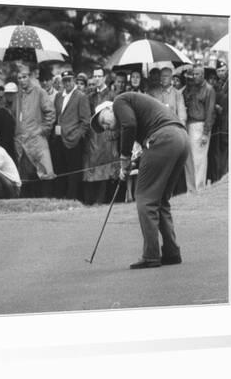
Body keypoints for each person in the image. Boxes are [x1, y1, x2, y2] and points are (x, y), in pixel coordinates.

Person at [91, 92, 189, 269]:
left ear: (108, 108)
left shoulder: (119, 102)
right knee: (160, 201)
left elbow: (129, 125)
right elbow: (138, 135)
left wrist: (124, 158)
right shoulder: (133, 110)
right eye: (103, 128)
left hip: (164, 137)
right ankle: (172, 252)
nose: (105, 126)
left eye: (102, 120)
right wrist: (129, 163)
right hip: (181, 138)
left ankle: (151, 255)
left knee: (145, 199)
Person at [14, 61, 56, 197]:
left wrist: (43, 130)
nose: (22, 80)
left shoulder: (40, 92)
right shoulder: (19, 95)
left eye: (24, 77)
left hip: (37, 140)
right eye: (19, 78)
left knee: (45, 172)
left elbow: (50, 112)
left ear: (30, 76)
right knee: (26, 175)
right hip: (23, 142)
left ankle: (46, 201)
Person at [82, 66, 120, 205]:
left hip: (108, 137)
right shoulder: (90, 96)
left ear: (104, 78)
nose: (97, 79)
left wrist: (114, 133)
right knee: (92, 169)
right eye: (95, 76)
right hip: (94, 137)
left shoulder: (112, 95)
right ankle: (92, 200)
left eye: (99, 76)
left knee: (107, 170)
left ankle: (102, 199)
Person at [51, 70, 91, 200]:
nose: (67, 83)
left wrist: (77, 135)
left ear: (73, 80)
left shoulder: (80, 96)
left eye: (69, 80)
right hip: (59, 139)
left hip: (73, 140)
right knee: (60, 170)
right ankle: (60, 197)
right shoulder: (58, 96)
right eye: (65, 80)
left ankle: (72, 198)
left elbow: (86, 121)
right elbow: (57, 117)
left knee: (74, 172)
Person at [183, 64, 216, 192]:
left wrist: (205, 133)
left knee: (199, 160)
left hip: (201, 125)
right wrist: (188, 81)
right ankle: (191, 189)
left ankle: (199, 189)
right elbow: (185, 98)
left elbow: (210, 112)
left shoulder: (209, 89)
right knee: (190, 160)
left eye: (197, 74)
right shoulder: (191, 88)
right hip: (189, 125)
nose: (194, 76)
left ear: (203, 75)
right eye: (193, 74)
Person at [208, 59, 229, 182]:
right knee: (216, 154)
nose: (221, 73)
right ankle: (217, 177)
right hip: (218, 125)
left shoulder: (228, 83)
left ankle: (222, 176)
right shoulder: (218, 85)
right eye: (219, 71)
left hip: (225, 122)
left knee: (223, 153)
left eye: (223, 70)